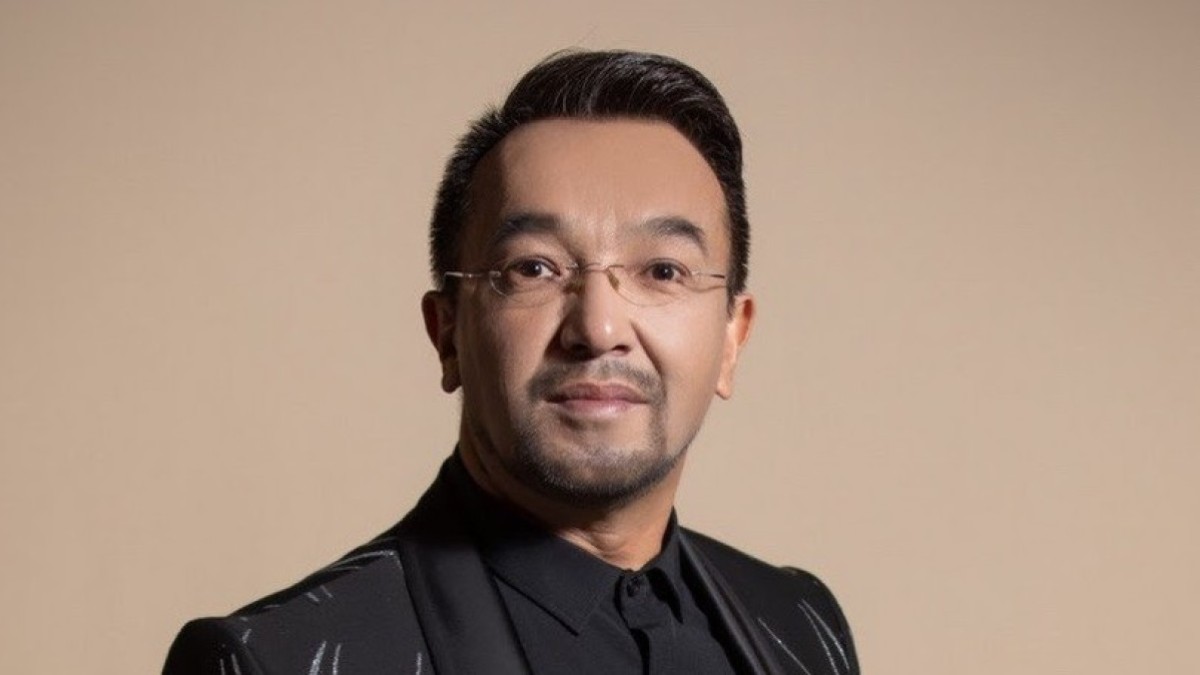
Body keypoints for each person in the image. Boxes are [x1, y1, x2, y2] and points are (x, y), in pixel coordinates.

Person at [163, 49, 858, 675]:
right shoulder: (275, 660)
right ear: (448, 333)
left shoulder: (801, 625)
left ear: (733, 338)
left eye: (664, 271)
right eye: (534, 268)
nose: (599, 327)